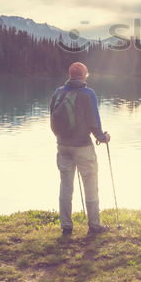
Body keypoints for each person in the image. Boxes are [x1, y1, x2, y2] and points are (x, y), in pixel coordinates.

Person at [49, 61, 111, 236]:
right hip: (82, 146)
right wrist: (102, 137)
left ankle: (66, 226)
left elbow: (52, 117)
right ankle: (94, 225)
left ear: (70, 75)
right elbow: (94, 122)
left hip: (62, 146)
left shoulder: (58, 93)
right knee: (90, 185)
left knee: (65, 186)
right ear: (84, 75)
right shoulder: (88, 93)